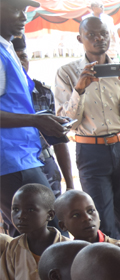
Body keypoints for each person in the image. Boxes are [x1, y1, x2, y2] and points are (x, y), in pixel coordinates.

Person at [55, 16, 120, 241]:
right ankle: (107, 265)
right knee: (100, 216)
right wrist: (80, 89)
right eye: (91, 35)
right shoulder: (67, 73)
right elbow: (68, 122)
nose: (98, 39)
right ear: (79, 38)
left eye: (103, 34)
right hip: (91, 151)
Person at [0, 0, 70, 236]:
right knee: (45, 234)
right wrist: (35, 121)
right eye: (16, 10)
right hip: (10, 161)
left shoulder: (7, 47)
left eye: (26, 11)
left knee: (31, 236)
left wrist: (43, 119)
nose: (24, 17)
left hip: (22, 155)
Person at [0, 184, 69, 280]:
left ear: (50, 215)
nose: (20, 216)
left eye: (30, 209)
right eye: (15, 209)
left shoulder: (68, 249)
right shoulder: (13, 248)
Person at [54, 189, 120, 245]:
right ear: (63, 225)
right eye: (76, 215)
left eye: (90, 211)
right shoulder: (66, 256)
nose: (87, 218)